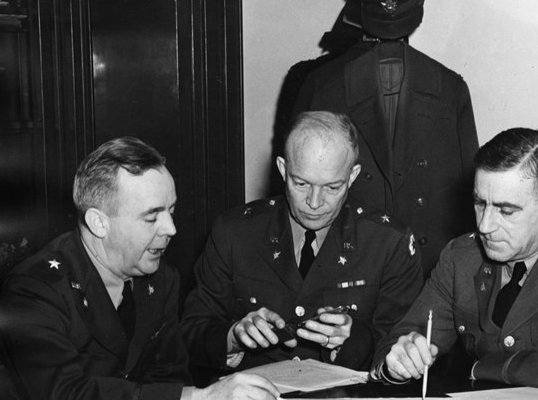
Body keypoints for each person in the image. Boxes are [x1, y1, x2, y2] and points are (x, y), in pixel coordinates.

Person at [0, 137, 280, 400]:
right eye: (151, 217)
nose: (171, 229)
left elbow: (167, 375)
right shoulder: (34, 290)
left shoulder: (161, 279)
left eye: (171, 211)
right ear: (99, 222)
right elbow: (68, 399)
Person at [371, 128, 538, 394]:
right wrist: (398, 362)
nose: (485, 225)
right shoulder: (461, 257)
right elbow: (400, 340)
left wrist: (483, 368)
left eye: (506, 211)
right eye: (480, 204)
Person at [181, 111, 423, 374]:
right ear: (283, 169)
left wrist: (351, 340)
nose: (315, 203)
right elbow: (189, 334)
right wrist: (233, 337)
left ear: (352, 176)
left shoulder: (389, 242)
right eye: (301, 183)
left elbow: (399, 350)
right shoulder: (234, 232)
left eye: (332, 187)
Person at [293, 0, 479, 278]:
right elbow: (471, 196)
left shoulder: (322, 86)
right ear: (420, 6)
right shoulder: (451, 88)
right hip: (428, 272)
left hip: (352, 269)